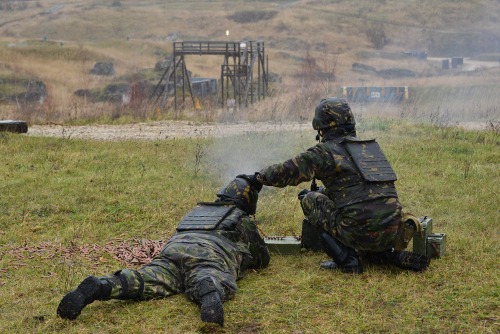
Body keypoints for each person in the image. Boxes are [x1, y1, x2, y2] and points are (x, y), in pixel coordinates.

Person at [57, 175, 270, 326]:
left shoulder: (197, 211)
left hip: (172, 251)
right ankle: (209, 289)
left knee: (144, 280)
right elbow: (262, 258)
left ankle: (103, 285)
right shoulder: (240, 218)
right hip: (209, 254)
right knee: (211, 277)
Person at [254, 97, 429, 274]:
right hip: (392, 231)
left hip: (359, 232)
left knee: (309, 199)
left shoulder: (324, 152)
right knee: (363, 209)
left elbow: (286, 172)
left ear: (321, 127)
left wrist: (258, 177)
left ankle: (348, 260)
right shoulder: (369, 148)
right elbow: (357, 190)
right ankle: (383, 254)